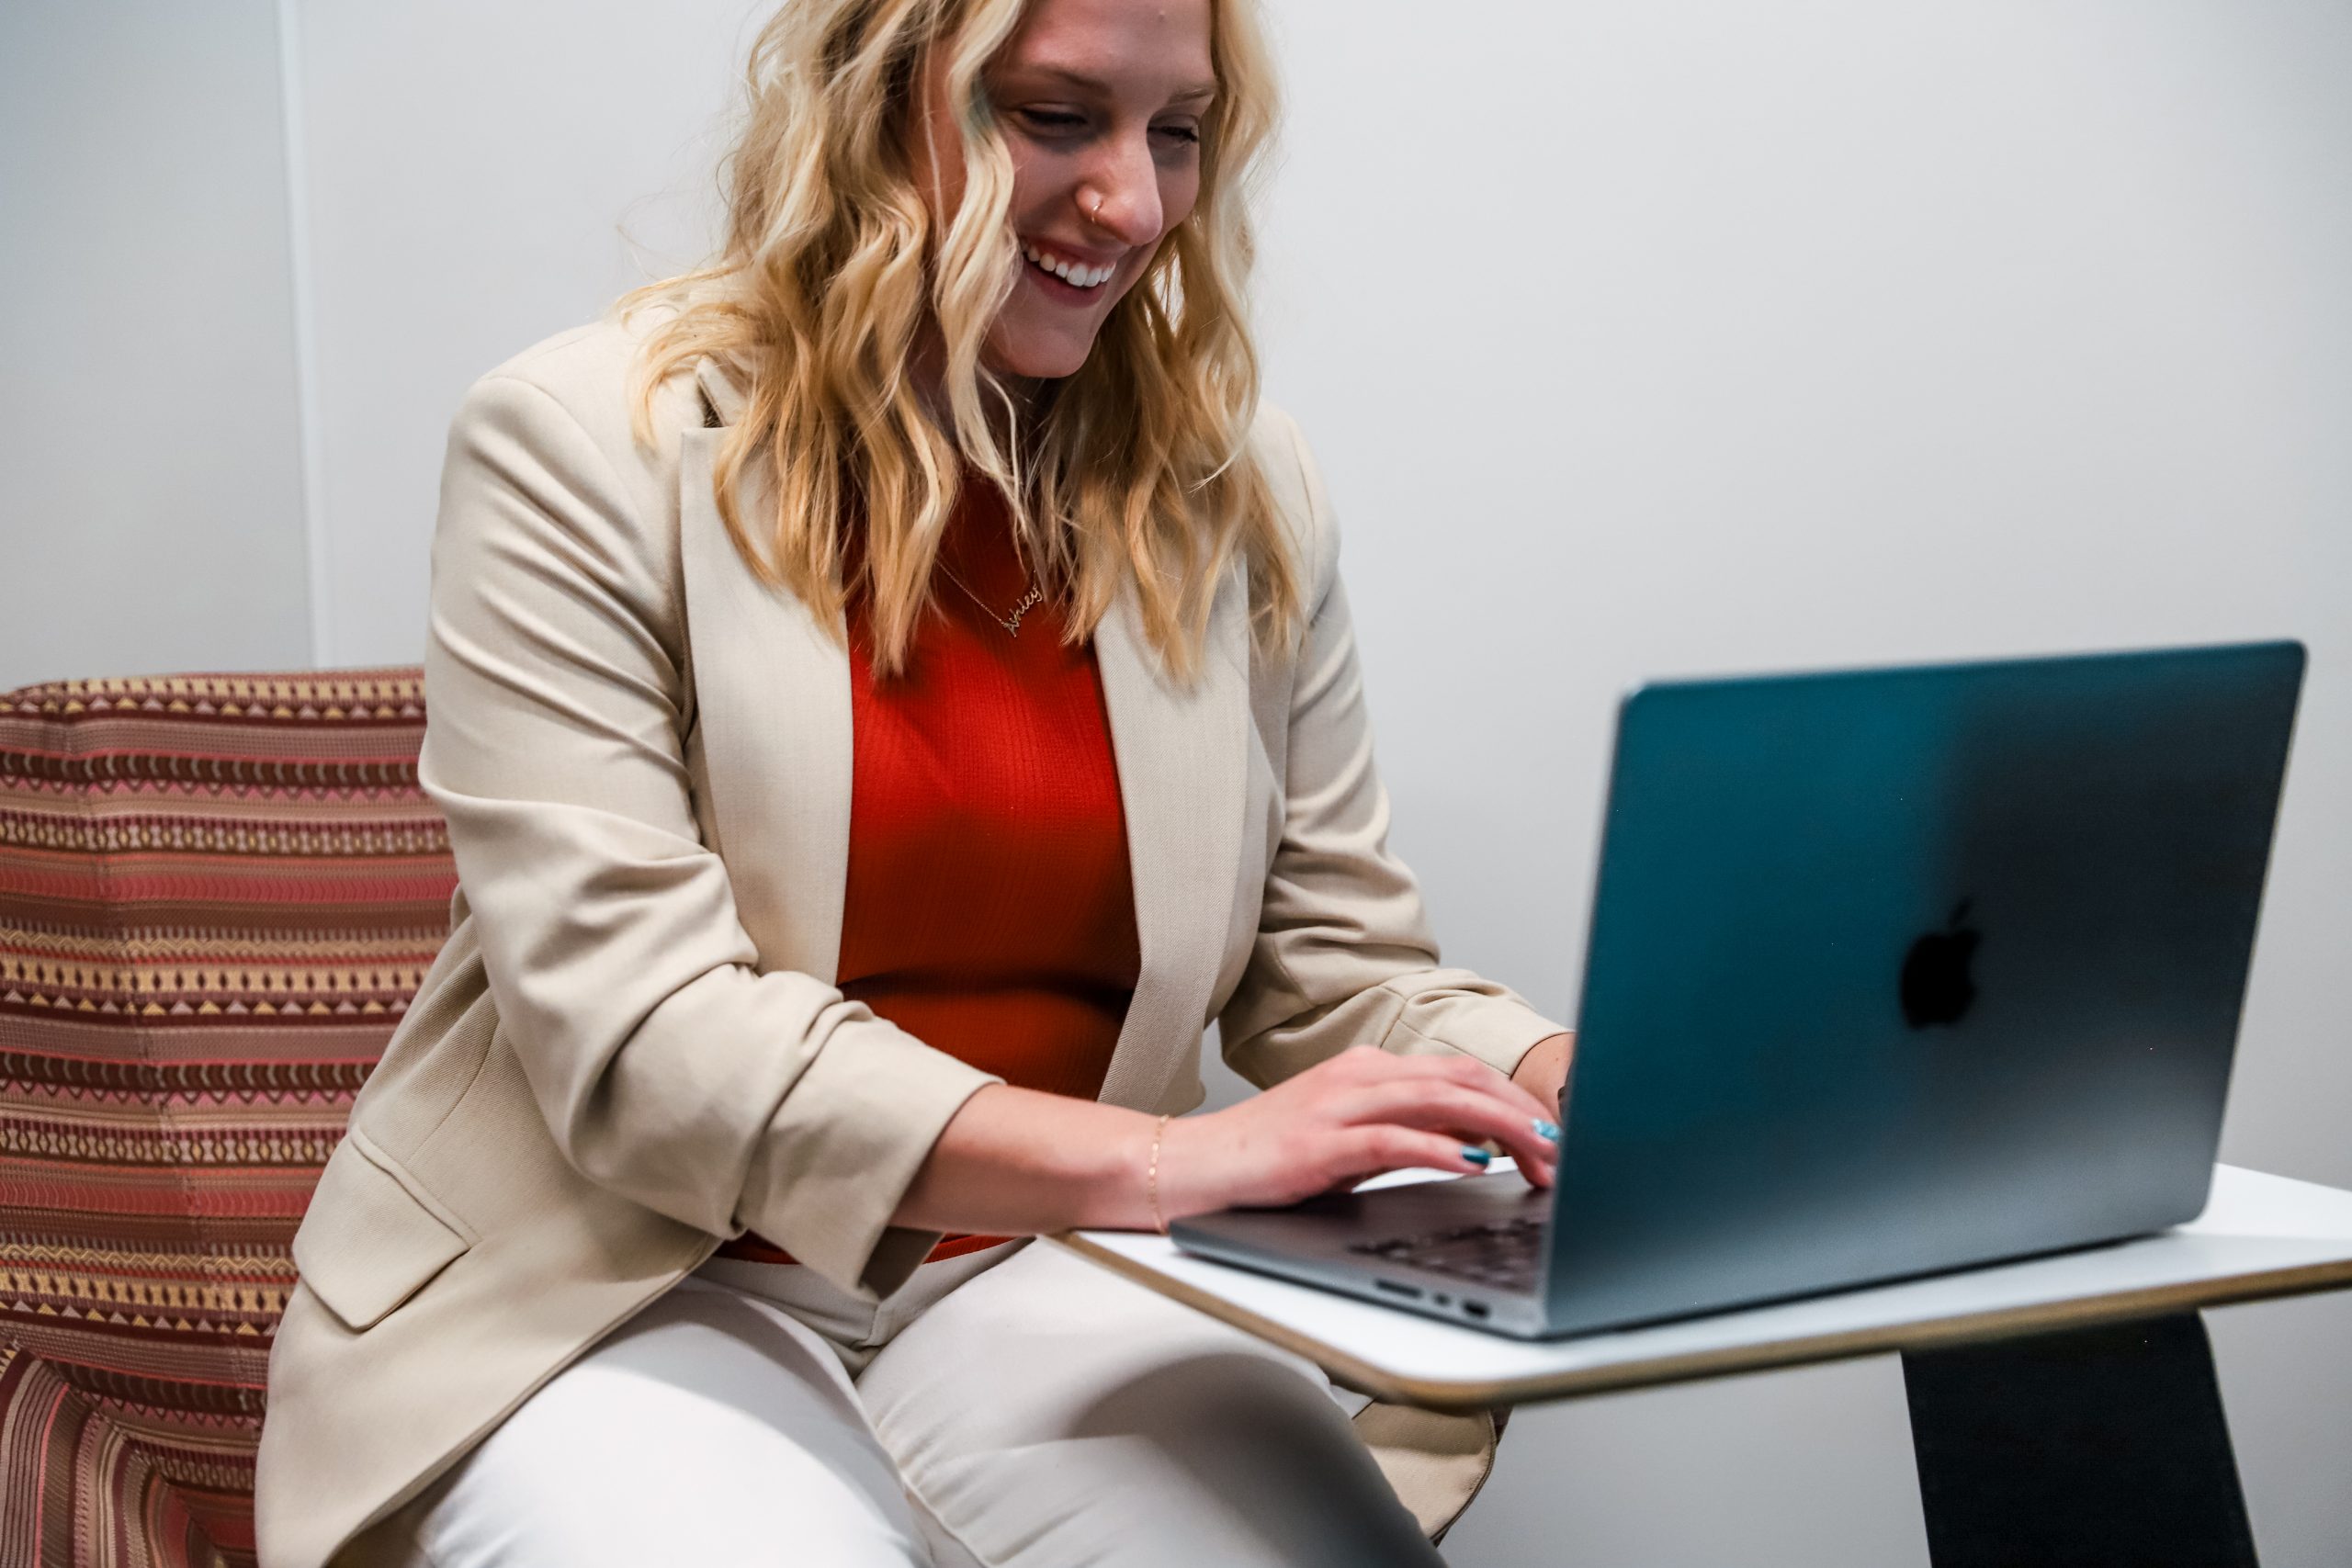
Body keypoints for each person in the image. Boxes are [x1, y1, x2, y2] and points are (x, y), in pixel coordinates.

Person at [256, 0, 1575, 1563]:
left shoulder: (1239, 486)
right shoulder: (578, 445)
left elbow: (1336, 967)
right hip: (618, 1282)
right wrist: (1169, 1162)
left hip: (1041, 1266)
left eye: (1177, 131)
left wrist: (1571, 1089)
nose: (1136, 206)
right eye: (1058, 117)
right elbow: (647, 1034)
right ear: (881, 102)